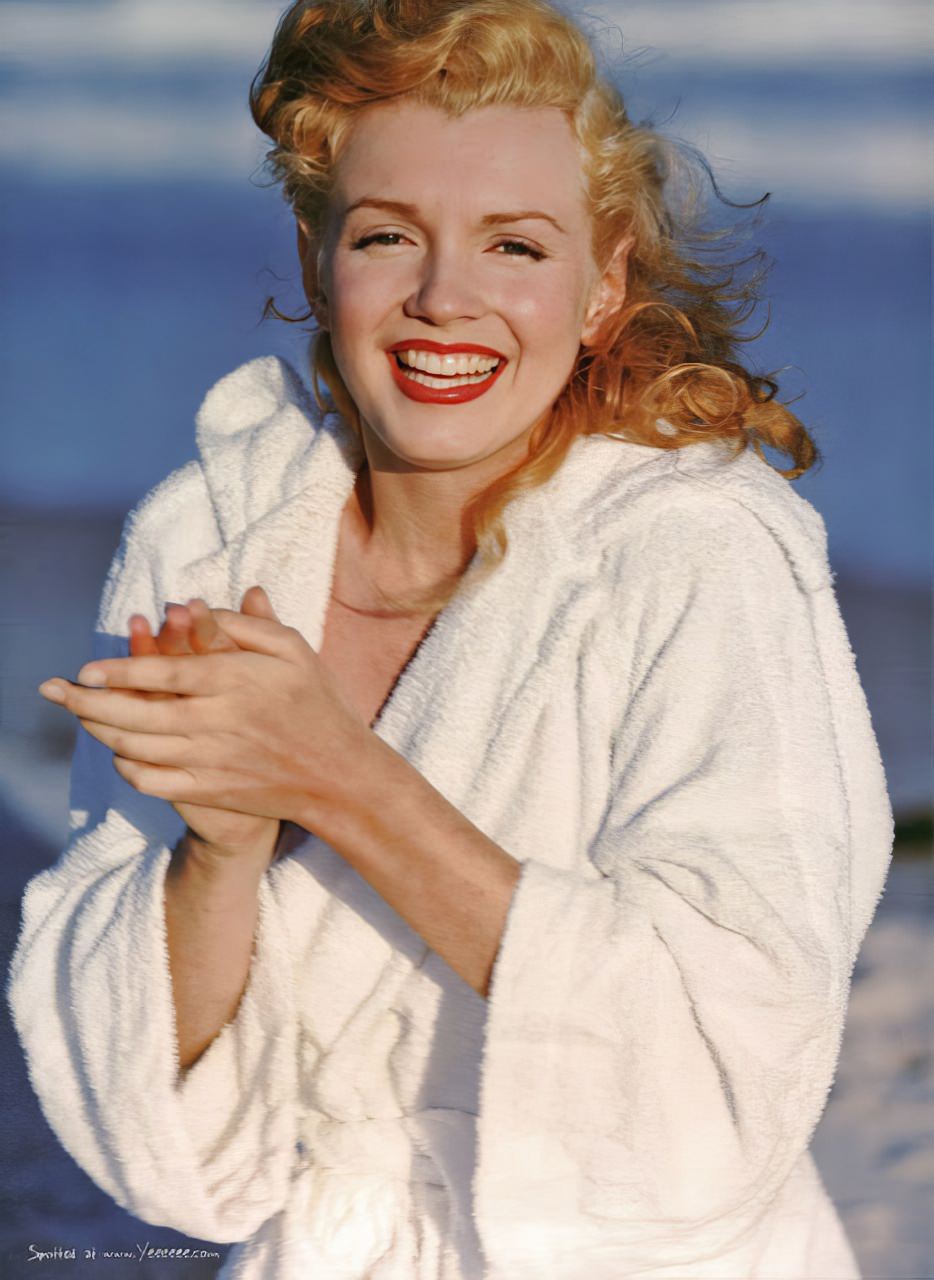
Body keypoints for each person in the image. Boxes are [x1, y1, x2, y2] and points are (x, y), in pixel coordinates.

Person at [7, 1, 894, 1276]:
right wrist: (221, 852)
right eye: (386, 236)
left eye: (515, 246)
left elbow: (720, 1086)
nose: (442, 301)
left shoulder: (704, 558)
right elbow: (171, 1153)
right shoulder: (212, 539)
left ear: (604, 286)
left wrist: (336, 777)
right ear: (318, 261)